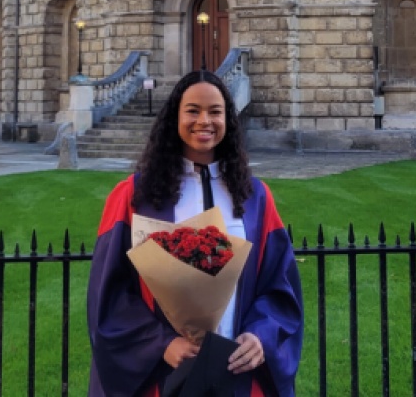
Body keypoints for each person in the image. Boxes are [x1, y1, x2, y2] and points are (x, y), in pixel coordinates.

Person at [87, 70, 304, 396]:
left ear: (228, 120)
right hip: (165, 371)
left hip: (237, 368)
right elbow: (109, 294)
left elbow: (279, 286)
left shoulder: (255, 198)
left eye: (215, 112)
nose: (204, 120)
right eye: (192, 110)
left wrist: (261, 335)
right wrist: (161, 343)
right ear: (175, 117)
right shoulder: (134, 197)